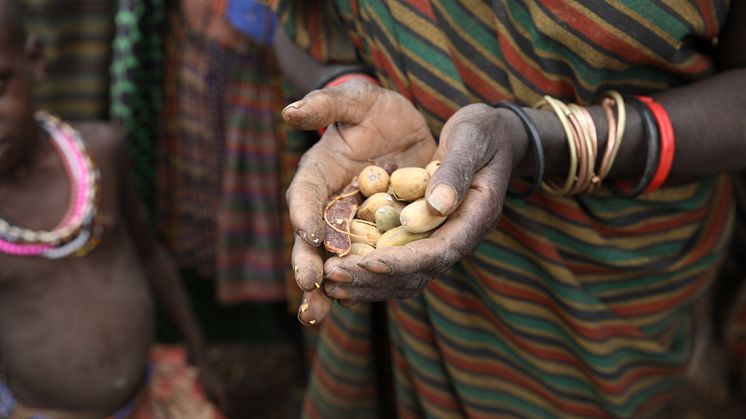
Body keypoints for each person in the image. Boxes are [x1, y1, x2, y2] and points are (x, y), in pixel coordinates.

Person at [273, 0, 746, 417]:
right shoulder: (382, 206)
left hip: (591, 275)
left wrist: (539, 141)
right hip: (381, 192)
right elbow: (291, 22)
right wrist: (343, 91)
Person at [0, 1, 226, 417]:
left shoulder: (99, 154)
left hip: (148, 395)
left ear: (34, 61)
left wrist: (201, 356)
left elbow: (151, 255)